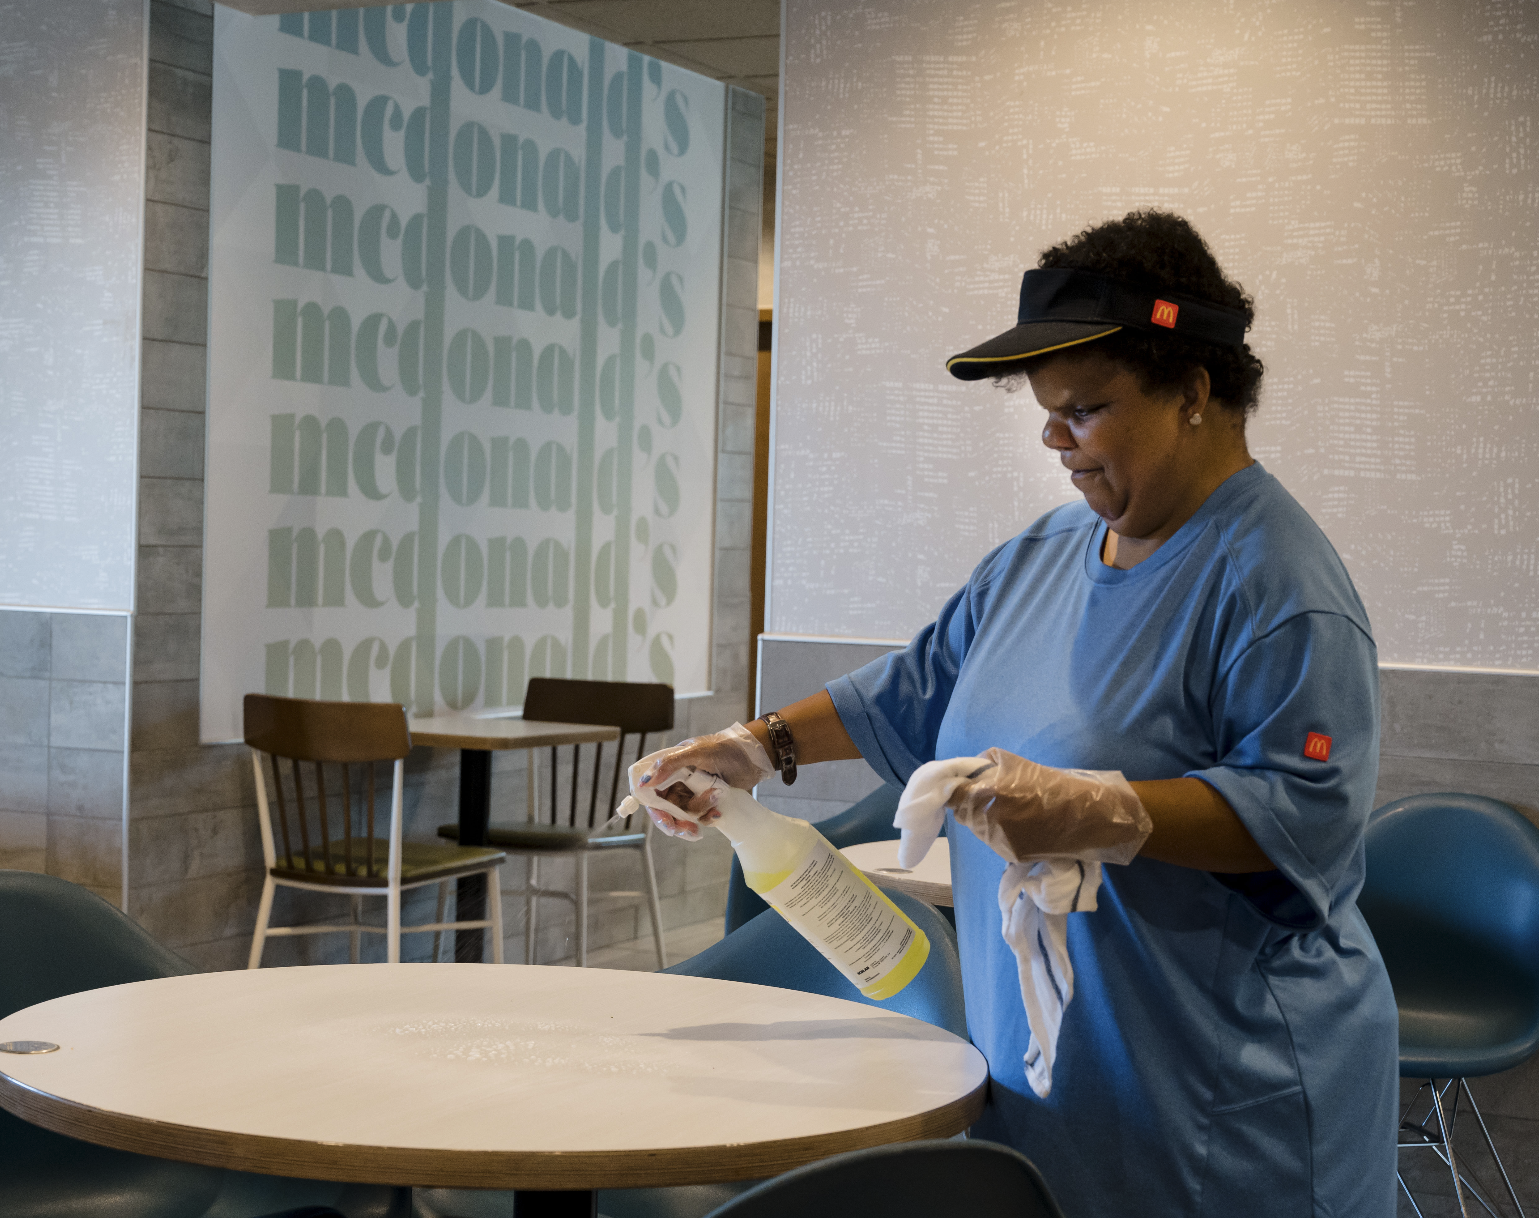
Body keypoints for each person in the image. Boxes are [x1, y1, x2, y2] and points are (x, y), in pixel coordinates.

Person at [634, 210, 1398, 1217]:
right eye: (1046, 410)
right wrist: (753, 746)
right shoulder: (1041, 556)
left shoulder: (1275, 585)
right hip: (1054, 1075)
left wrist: (1107, 811)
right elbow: (915, 687)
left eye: (1084, 408)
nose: (1054, 437)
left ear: (1194, 393)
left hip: (1223, 1090)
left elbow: (1309, 817)